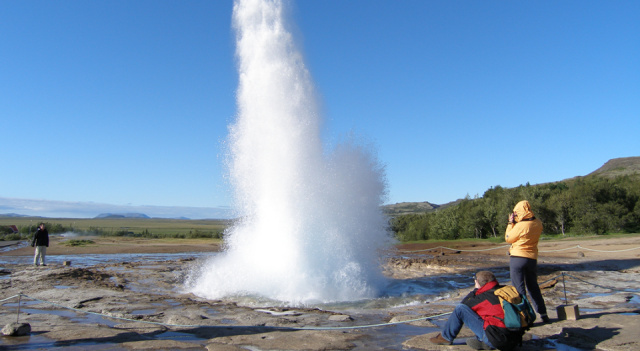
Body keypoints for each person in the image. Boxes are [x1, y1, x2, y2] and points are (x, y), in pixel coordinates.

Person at [429, 271, 515, 350]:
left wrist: (476, 290)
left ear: (477, 282)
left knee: (460, 308)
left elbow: (464, 305)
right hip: (514, 340)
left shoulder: (483, 297)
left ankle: (445, 337)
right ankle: (485, 342)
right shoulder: (506, 291)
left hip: (496, 338)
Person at [505, 200, 549, 323]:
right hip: (532, 258)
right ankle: (543, 313)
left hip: (518, 258)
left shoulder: (521, 226)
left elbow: (508, 238)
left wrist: (510, 223)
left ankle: (525, 317)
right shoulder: (538, 223)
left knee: (519, 289)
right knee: (533, 287)